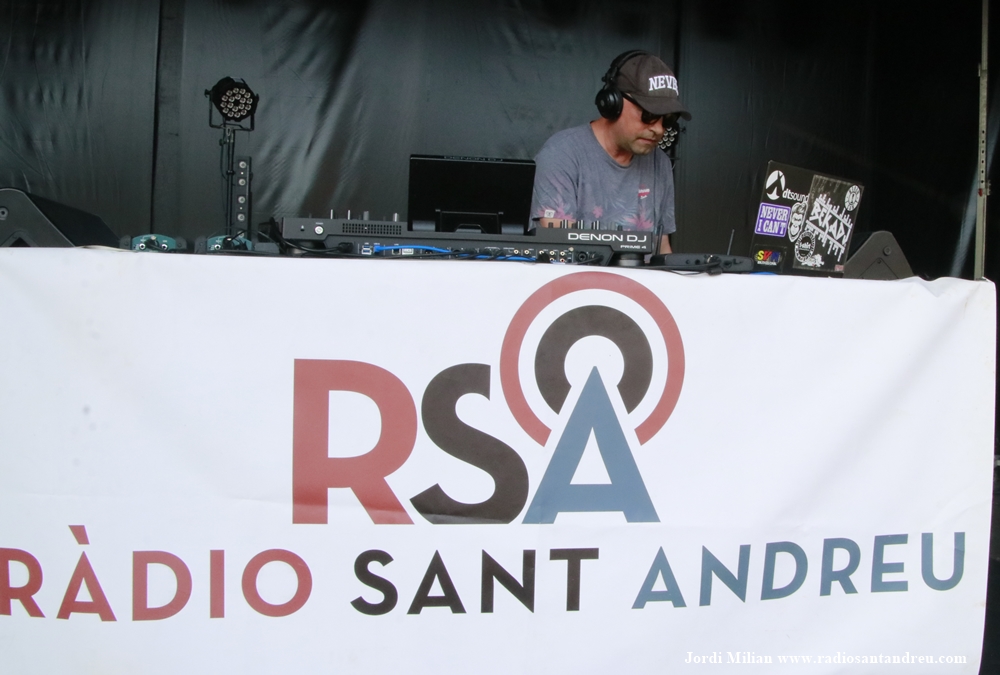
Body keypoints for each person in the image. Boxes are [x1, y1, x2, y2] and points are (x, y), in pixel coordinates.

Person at [529, 50, 691, 254]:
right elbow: (560, 250)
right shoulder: (562, 154)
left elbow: (661, 247)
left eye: (668, 119)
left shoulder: (660, 162)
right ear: (613, 102)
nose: (658, 129)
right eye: (649, 115)